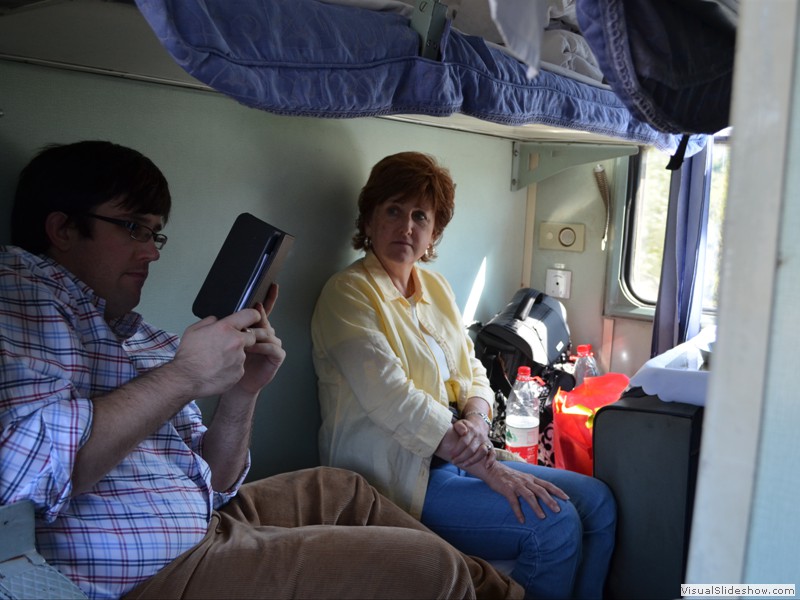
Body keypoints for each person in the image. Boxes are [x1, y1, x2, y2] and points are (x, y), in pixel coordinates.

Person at [0, 141, 525, 600]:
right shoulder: (24, 298)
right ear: (63, 229)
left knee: (344, 490)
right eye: (134, 228)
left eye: (154, 234)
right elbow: (30, 468)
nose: (150, 253)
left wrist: (243, 391)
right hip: (152, 573)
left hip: (202, 523)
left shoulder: (135, 336)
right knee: (428, 567)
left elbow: (218, 482)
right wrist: (185, 376)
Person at [311, 151, 617, 600]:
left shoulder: (435, 287)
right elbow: (393, 400)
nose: (407, 227)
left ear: (434, 231)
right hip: (397, 478)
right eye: (393, 210)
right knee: (553, 526)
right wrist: (486, 466)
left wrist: (476, 419)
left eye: (421, 216)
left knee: (599, 505)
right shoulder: (348, 294)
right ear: (370, 219)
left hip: (459, 458)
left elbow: (472, 370)